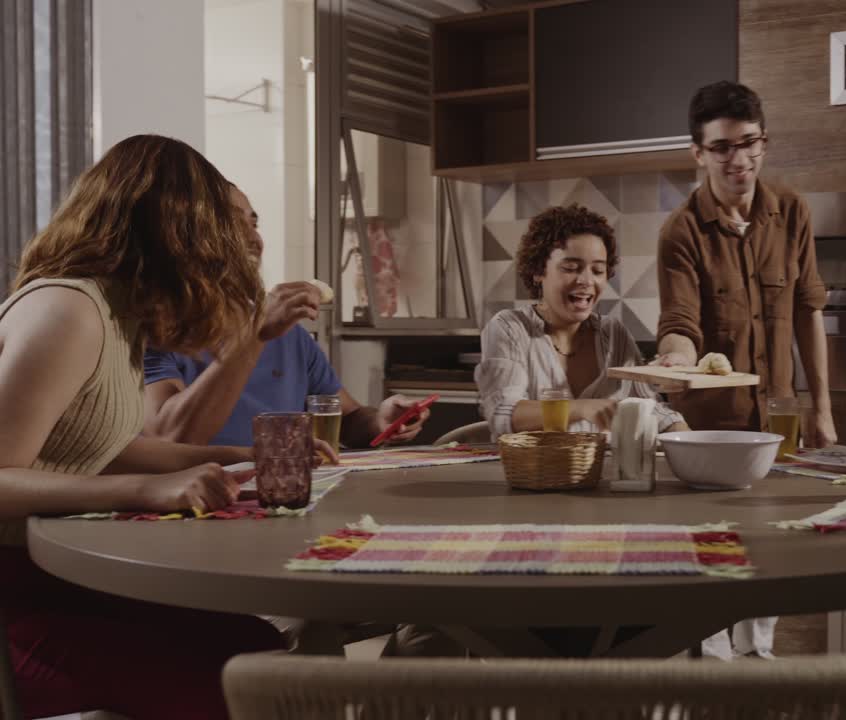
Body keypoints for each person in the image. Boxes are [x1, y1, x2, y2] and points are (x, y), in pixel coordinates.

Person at [0, 135, 285, 720]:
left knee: (255, 647)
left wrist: (237, 455)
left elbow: (85, 446)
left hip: (44, 576)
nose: (241, 247)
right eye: (224, 226)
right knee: (244, 678)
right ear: (180, 227)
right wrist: (144, 490)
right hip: (12, 604)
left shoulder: (114, 313)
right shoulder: (68, 311)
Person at [142, 185, 427, 449]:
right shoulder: (157, 332)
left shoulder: (290, 335)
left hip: (283, 492)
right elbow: (170, 435)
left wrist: (380, 421)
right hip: (200, 498)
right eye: (231, 223)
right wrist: (256, 333)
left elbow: (347, 418)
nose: (253, 238)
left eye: (253, 224)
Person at [654, 81, 835, 448]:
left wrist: (822, 409)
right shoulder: (681, 231)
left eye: (749, 143)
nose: (739, 160)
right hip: (708, 430)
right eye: (721, 148)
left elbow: (807, 310)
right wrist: (675, 359)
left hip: (780, 422)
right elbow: (680, 322)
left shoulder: (792, 211)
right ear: (698, 154)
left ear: (763, 142)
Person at [477, 204, 688, 437]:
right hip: (532, 472)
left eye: (598, 271)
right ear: (538, 271)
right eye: (571, 268)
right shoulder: (509, 328)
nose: (586, 280)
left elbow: (647, 407)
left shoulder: (612, 333)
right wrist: (581, 408)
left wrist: (678, 429)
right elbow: (503, 414)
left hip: (604, 471)